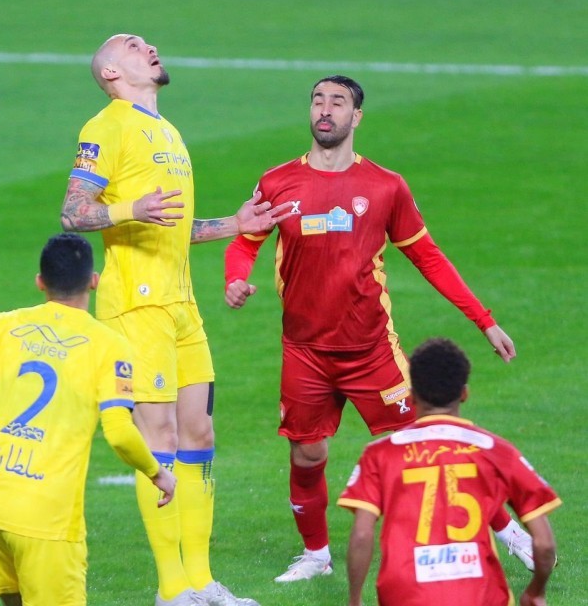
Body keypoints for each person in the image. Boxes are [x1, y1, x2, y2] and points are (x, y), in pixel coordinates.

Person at [223, 74, 535, 583]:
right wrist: (235, 280)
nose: (325, 110)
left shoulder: (385, 186)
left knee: (428, 441)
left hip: (370, 349)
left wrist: (485, 321)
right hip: (304, 350)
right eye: (318, 101)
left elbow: (428, 257)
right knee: (307, 452)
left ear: (357, 117)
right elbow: (244, 241)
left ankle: (508, 530)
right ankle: (316, 555)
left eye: (337, 102)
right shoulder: (277, 182)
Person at [60, 33, 289, 606]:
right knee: (157, 436)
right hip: (136, 307)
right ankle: (172, 589)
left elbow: (172, 226)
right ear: (112, 73)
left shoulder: (168, 132)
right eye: (133, 45)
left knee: (200, 434)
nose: (148, 47)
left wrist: (233, 225)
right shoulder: (104, 128)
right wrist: (129, 208)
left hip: (182, 307)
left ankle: (202, 582)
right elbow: (74, 212)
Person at [0, 232, 176, 606]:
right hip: (46, 521)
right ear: (94, 281)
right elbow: (119, 433)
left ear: (40, 282)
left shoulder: (2, 325)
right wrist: (156, 472)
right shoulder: (110, 345)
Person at [337, 337, 561, 606]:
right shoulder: (497, 451)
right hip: (480, 597)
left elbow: (362, 534)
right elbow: (544, 544)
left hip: (405, 596)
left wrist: (354, 600)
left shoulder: (379, 454)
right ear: (464, 393)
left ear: (412, 394)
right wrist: (535, 592)